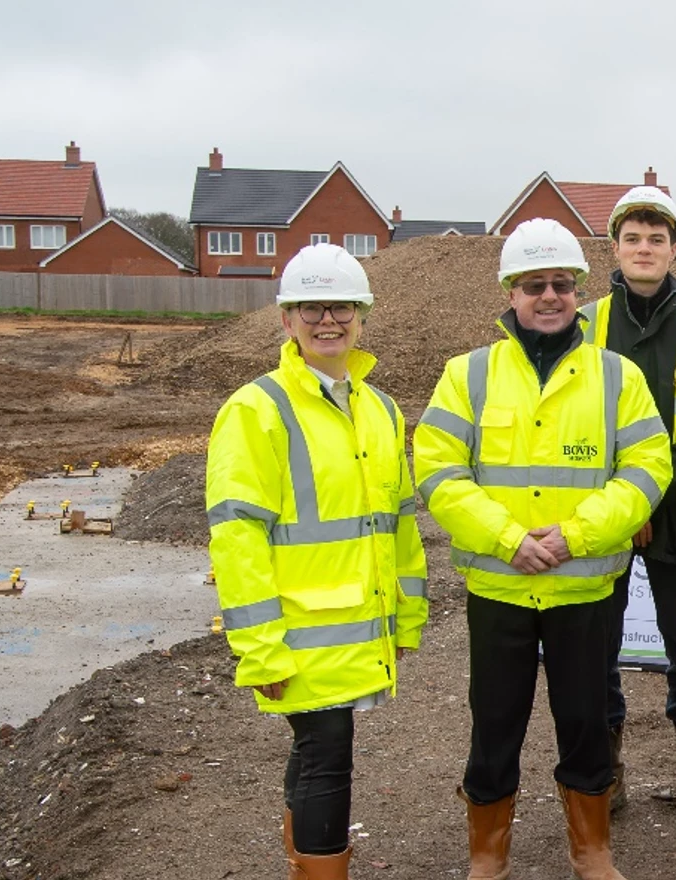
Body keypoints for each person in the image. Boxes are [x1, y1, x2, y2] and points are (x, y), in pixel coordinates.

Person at [414, 218, 671, 880]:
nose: (550, 296)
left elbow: (647, 468)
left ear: (578, 290)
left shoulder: (617, 377)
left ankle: (591, 850)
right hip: (500, 588)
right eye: (535, 285)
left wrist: (574, 536)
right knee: (494, 723)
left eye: (561, 284)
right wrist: (508, 541)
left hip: (584, 588)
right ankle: (487, 855)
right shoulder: (467, 375)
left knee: (586, 722)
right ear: (510, 292)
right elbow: (439, 472)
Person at [205, 243, 428, 880]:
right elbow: (237, 538)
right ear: (286, 320)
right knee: (329, 752)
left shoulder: (380, 408)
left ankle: (302, 862)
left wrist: (404, 617)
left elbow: (396, 524)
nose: (327, 320)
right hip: (298, 633)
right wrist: (260, 648)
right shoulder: (257, 410)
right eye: (311, 308)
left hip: (358, 627)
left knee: (315, 749)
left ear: (362, 316)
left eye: (341, 308)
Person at [583, 186, 676, 823]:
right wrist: (622, 504)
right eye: (633, 238)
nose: (645, 249)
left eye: (657, 239)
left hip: (673, 513)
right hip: (604, 514)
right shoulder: (584, 323)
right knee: (597, 646)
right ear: (614, 247)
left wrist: (649, 496)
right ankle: (606, 772)